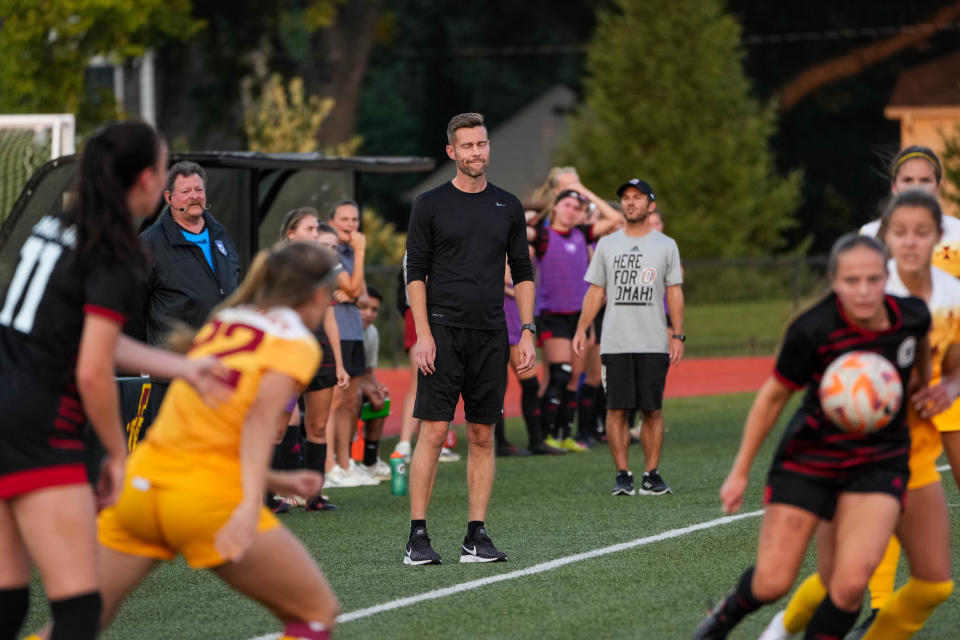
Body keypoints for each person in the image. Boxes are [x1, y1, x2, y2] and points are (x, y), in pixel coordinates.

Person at [0, 121, 228, 640]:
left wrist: (185, 366)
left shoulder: (61, 223)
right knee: (80, 606)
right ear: (149, 180)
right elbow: (92, 368)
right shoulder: (117, 247)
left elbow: (88, 336)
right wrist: (117, 455)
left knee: (8, 598)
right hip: (38, 424)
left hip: (6, 403)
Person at [691, 233, 954, 640]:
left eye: (872, 279)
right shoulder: (812, 329)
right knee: (772, 583)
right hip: (810, 459)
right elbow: (772, 399)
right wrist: (739, 471)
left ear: (886, 277)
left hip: (879, 461)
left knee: (848, 588)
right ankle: (720, 620)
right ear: (834, 282)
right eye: (852, 281)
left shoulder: (912, 315)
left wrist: (921, 381)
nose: (864, 291)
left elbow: (921, 348)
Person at [90, 242, 340, 639]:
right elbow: (260, 420)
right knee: (316, 613)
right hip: (203, 497)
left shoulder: (227, 319)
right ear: (315, 293)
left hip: (142, 486)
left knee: (77, 624)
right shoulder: (296, 342)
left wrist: (278, 481)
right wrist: (247, 506)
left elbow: (209, 427)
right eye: (332, 292)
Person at [758, 191, 957, 640]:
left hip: (918, 454)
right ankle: (782, 629)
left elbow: (954, 363)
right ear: (886, 235)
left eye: (922, 231)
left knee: (935, 585)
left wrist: (948, 386)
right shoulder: (867, 289)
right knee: (844, 579)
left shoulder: (949, 295)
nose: (910, 241)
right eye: (900, 231)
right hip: (856, 454)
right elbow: (813, 357)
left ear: (939, 234)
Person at [404, 112, 536, 565]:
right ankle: (417, 537)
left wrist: (527, 331)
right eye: (467, 146)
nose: (475, 152)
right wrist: (423, 334)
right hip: (441, 331)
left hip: (492, 334)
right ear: (451, 152)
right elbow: (414, 273)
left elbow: (522, 272)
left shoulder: (508, 206)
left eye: (481, 144)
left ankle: (475, 536)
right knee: (434, 431)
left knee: (483, 435)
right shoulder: (429, 204)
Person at [573, 179, 684, 496]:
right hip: (616, 340)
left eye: (638, 197)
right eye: (626, 198)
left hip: (652, 340)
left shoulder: (666, 245)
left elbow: (674, 293)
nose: (630, 202)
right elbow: (596, 291)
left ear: (651, 205)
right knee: (617, 409)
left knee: (653, 410)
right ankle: (623, 474)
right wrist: (582, 327)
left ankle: (651, 474)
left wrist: (678, 334)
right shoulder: (608, 245)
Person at [531, 188, 623, 453]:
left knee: (574, 378)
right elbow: (520, 233)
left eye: (576, 207)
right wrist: (533, 216)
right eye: (567, 205)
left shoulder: (582, 234)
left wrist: (583, 190)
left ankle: (564, 434)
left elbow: (615, 219)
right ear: (556, 208)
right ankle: (544, 435)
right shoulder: (544, 236)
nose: (571, 211)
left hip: (581, 318)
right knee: (559, 374)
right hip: (553, 316)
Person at [273, 212, 348, 509]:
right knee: (283, 423)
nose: (316, 233)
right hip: (291, 356)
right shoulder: (277, 265)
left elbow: (330, 316)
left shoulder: (322, 267)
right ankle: (280, 491)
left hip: (322, 356)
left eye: (317, 227)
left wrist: (340, 363)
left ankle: (313, 494)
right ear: (291, 233)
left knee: (317, 426)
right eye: (310, 228)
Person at [140, 161, 241, 346]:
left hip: (222, 354)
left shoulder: (220, 233)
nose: (194, 196)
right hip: (176, 361)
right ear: (169, 198)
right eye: (186, 192)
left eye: (198, 190)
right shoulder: (151, 243)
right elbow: (132, 306)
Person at [325, 200, 381, 487]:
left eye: (354, 220)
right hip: (337, 334)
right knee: (334, 402)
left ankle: (345, 463)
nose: (350, 225)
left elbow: (361, 297)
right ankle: (329, 465)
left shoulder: (349, 252)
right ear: (332, 222)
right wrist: (360, 252)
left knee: (350, 402)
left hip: (354, 332)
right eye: (344, 219)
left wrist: (355, 293)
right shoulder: (332, 251)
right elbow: (352, 287)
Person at [356, 285, 392, 478]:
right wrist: (365, 389)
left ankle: (370, 461)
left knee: (380, 398)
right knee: (354, 395)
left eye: (374, 310)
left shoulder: (372, 333)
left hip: (354, 385)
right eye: (365, 308)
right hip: (337, 388)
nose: (369, 314)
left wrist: (376, 388)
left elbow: (368, 371)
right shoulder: (343, 329)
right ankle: (341, 461)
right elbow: (340, 376)